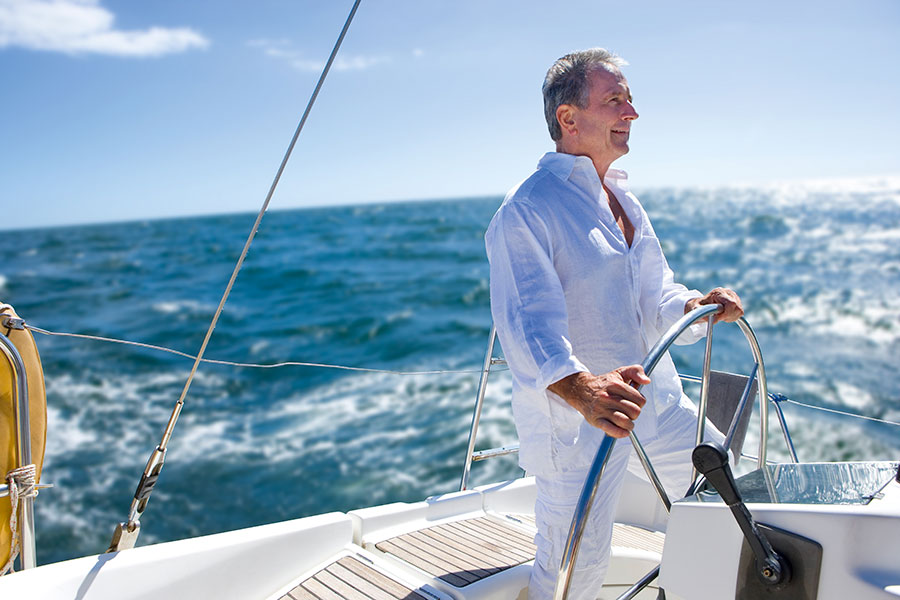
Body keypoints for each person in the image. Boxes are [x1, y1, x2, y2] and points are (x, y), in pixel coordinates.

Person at [485, 48, 744, 600]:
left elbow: (656, 294)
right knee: (575, 564)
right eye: (616, 100)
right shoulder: (527, 208)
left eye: (628, 99)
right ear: (569, 118)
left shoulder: (623, 198)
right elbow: (526, 323)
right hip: (579, 419)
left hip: (654, 399)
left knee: (727, 492)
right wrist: (582, 389)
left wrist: (696, 305)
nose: (632, 112)